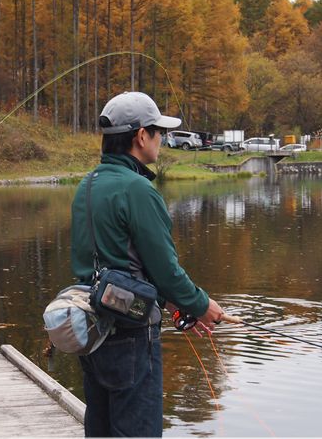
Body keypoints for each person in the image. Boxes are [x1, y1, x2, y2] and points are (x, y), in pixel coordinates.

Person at [70, 92, 224, 436]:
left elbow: (108, 264)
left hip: (92, 331)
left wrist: (170, 303)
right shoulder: (138, 190)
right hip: (132, 337)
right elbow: (166, 271)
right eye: (159, 132)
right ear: (141, 136)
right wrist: (201, 305)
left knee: (102, 429)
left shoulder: (87, 185)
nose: (162, 140)